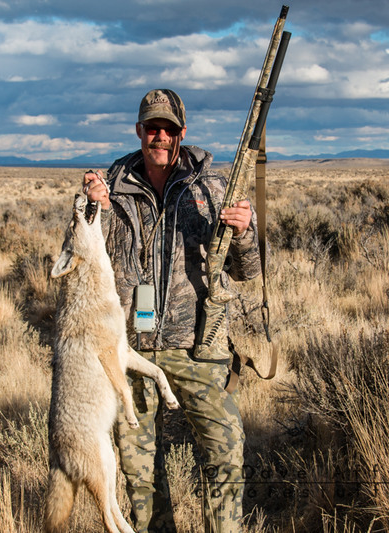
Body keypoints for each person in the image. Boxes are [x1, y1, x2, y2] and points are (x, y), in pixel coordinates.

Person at [83, 88, 261, 533]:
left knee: (225, 452)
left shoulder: (214, 188)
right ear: (139, 131)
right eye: (151, 128)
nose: (159, 137)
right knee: (139, 473)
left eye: (168, 129)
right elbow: (83, 260)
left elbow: (248, 270)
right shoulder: (110, 191)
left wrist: (242, 232)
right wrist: (92, 209)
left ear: (182, 133)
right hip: (129, 350)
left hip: (198, 348)